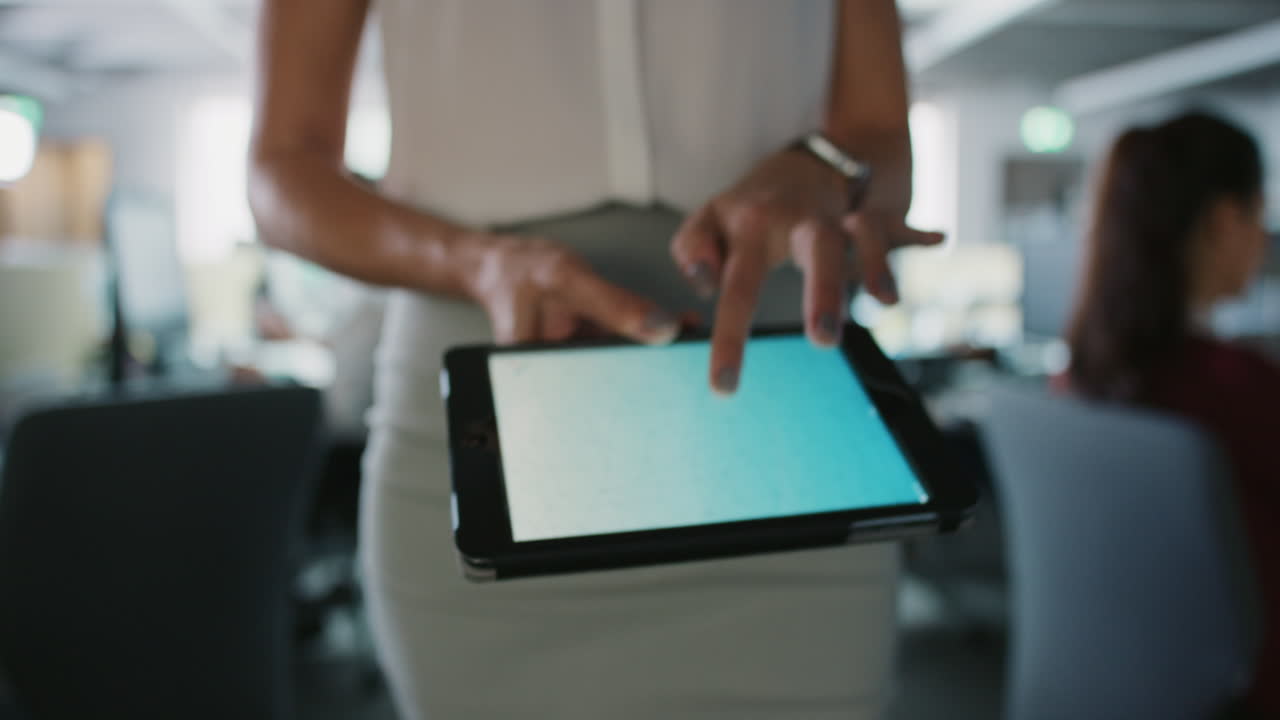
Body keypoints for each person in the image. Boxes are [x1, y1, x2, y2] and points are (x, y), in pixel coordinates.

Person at [249, 1, 942, 717]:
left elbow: (884, 141)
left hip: (789, 453)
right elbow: (282, 167)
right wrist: (475, 265)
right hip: (491, 447)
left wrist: (824, 168)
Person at [1063, 111, 1279, 716]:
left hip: (1126, 680)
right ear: (1225, 220)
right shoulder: (1238, 388)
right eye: (1260, 218)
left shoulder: (1083, 378)